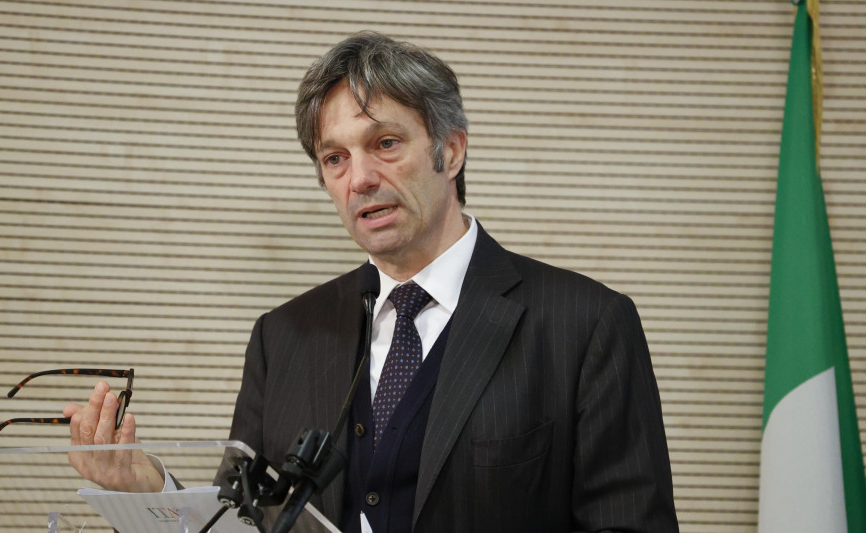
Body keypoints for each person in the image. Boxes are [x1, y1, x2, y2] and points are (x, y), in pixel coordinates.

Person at [65, 31, 679, 533]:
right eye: (335, 158)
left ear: (451, 151)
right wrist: (147, 490)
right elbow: (243, 517)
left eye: (385, 143)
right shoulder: (283, 336)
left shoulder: (585, 324)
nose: (359, 178)